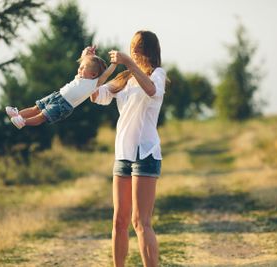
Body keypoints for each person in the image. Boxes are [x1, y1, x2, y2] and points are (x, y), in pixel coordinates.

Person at [87, 30, 166, 267]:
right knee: (119, 221)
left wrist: (129, 63)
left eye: (137, 47)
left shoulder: (157, 75)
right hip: (123, 153)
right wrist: (89, 66)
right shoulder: (123, 79)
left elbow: (152, 90)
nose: (132, 50)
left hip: (146, 153)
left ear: (148, 50)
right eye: (131, 46)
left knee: (141, 222)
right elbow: (95, 95)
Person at [5, 54, 116, 129]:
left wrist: (114, 62)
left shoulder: (94, 84)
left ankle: (23, 122)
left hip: (64, 105)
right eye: (80, 67)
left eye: (83, 68)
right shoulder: (80, 77)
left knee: (41, 116)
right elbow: (83, 60)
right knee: (36, 107)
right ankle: (17, 114)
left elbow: (106, 74)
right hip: (57, 95)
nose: (80, 69)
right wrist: (87, 54)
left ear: (94, 74)